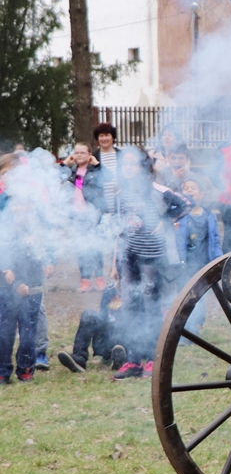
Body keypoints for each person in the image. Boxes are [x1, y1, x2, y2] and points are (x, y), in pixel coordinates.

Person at [111, 147, 191, 379]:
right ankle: (134, 360)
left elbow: (185, 204)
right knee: (131, 307)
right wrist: (115, 262)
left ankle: (152, 360)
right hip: (130, 257)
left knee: (151, 307)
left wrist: (165, 221)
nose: (128, 168)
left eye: (132, 164)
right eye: (124, 164)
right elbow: (119, 229)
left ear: (143, 167)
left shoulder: (158, 190)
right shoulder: (121, 194)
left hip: (153, 258)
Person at [0, 155, 44, 383]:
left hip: (31, 285)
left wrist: (25, 281)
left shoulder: (35, 228)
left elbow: (35, 257)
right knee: (4, 331)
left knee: (28, 330)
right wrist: (8, 272)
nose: (20, 208)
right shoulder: (4, 223)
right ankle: (2, 369)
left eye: (24, 203)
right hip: (6, 284)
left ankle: (26, 367)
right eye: (16, 204)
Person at [174, 177, 223, 339]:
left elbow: (215, 240)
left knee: (199, 297)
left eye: (193, 188)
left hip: (202, 264)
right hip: (184, 264)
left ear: (201, 194)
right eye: (186, 188)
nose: (189, 191)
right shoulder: (178, 215)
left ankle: (195, 326)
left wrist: (218, 261)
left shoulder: (209, 216)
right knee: (183, 295)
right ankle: (184, 329)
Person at [63, 142, 110, 292]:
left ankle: (100, 279)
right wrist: (64, 164)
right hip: (77, 215)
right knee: (81, 249)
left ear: (89, 154)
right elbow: (53, 176)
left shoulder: (94, 170)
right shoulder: (71, 171)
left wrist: (97, 165)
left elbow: (109, 177)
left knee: (96, 248)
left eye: (83, 152)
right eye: (76, 152)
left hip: (93, 215)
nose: (79, 155)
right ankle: (85, 280)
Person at [57, 283, 127, 373]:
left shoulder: (133, 285)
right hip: (104, 341)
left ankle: (120, 359)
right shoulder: (112, 287)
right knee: (88, 314)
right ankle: (79, 358)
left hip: (123, 343)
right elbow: (103, 311)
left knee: (126, 321)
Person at [92, 123, 121, 214]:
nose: (104, 138)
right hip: (101, 202)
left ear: (113, 137)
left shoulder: (121, 155)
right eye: (101, 136)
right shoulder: (94, 157)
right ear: (97, 138)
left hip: (120, 200)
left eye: (107, 135)